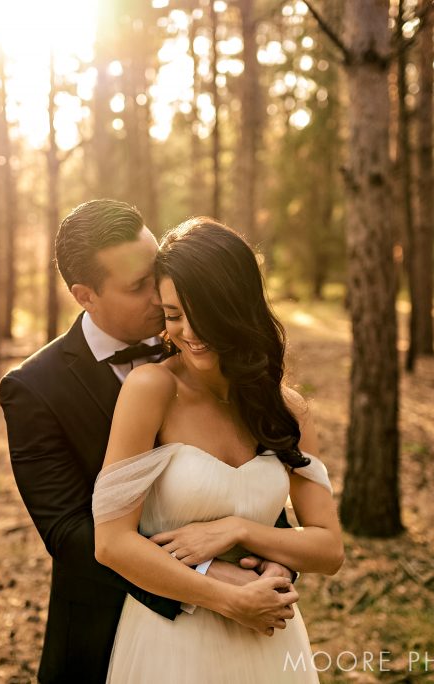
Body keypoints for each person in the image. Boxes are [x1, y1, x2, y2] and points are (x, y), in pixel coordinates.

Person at [0, 200, 301, 684]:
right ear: (85, 295)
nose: (161, 295)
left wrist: (271, 564)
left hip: (242, 627)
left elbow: (250, 469)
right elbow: (69, 532)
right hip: (105, 629)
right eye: (139, 286)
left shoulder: (203, 341)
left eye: (157, 269)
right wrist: (205, 576)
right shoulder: (35, 389)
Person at [92, 217, 345, 682]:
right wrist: (227, 598)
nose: (189, 331)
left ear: (236, 304)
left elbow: (328, 548)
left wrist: (237, 530)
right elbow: (111, 543)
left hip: (271, 641)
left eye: (201, 311)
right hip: (172, 646)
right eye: (173, 315)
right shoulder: (151, 389)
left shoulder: (286, 408)